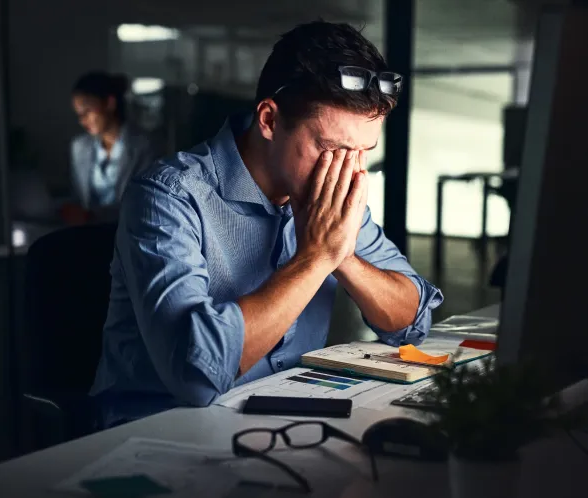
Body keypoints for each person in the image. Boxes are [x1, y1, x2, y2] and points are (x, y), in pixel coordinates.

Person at [90, 21, 444, 429]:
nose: (349, 172)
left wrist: (342, 256)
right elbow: (195, 376)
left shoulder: (331, 195)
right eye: (332, 150)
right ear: (270, 120)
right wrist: (315, 258)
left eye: (364, 153)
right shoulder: (167, 196)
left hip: (279, 423)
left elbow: (412, 323)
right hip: (156, 433)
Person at [68, 71, 158, 220]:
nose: (82, 120)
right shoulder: (79, 147)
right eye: (79, 114)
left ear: (110, 103)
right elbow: (78, 198)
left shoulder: (144, 146)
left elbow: (143, 202)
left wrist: (93, 215)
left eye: (87, 111)